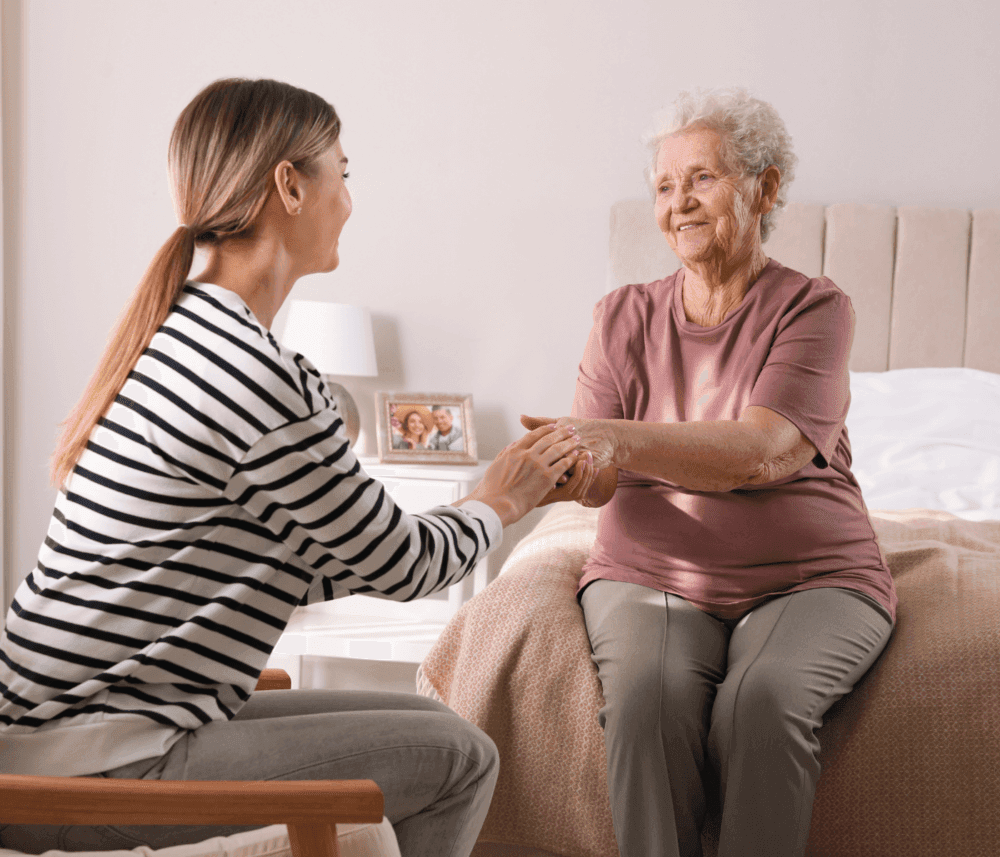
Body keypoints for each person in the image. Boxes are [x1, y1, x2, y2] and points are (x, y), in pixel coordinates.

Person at [0, 78, 591, 857]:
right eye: (343, 172)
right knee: (460, 759)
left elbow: (263, 565)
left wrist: (426, 518)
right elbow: (405, 564)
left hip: (66, 737)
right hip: (88, 763)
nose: (349, 198)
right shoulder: (248, 368)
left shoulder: (183, 331)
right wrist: (498, 501)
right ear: (290, 183)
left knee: (440, 726)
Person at [521, 88, 897, 857]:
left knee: (762, 702)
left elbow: (764, 449)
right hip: (648, 571)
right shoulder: (621, 315)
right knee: (644, 703)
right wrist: (565, 465)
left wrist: (612, 438)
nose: (678, 202)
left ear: (765, 187)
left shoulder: (813, 309)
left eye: (703, 178)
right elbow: (596, 478)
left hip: (811, 575)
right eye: (664, 185)